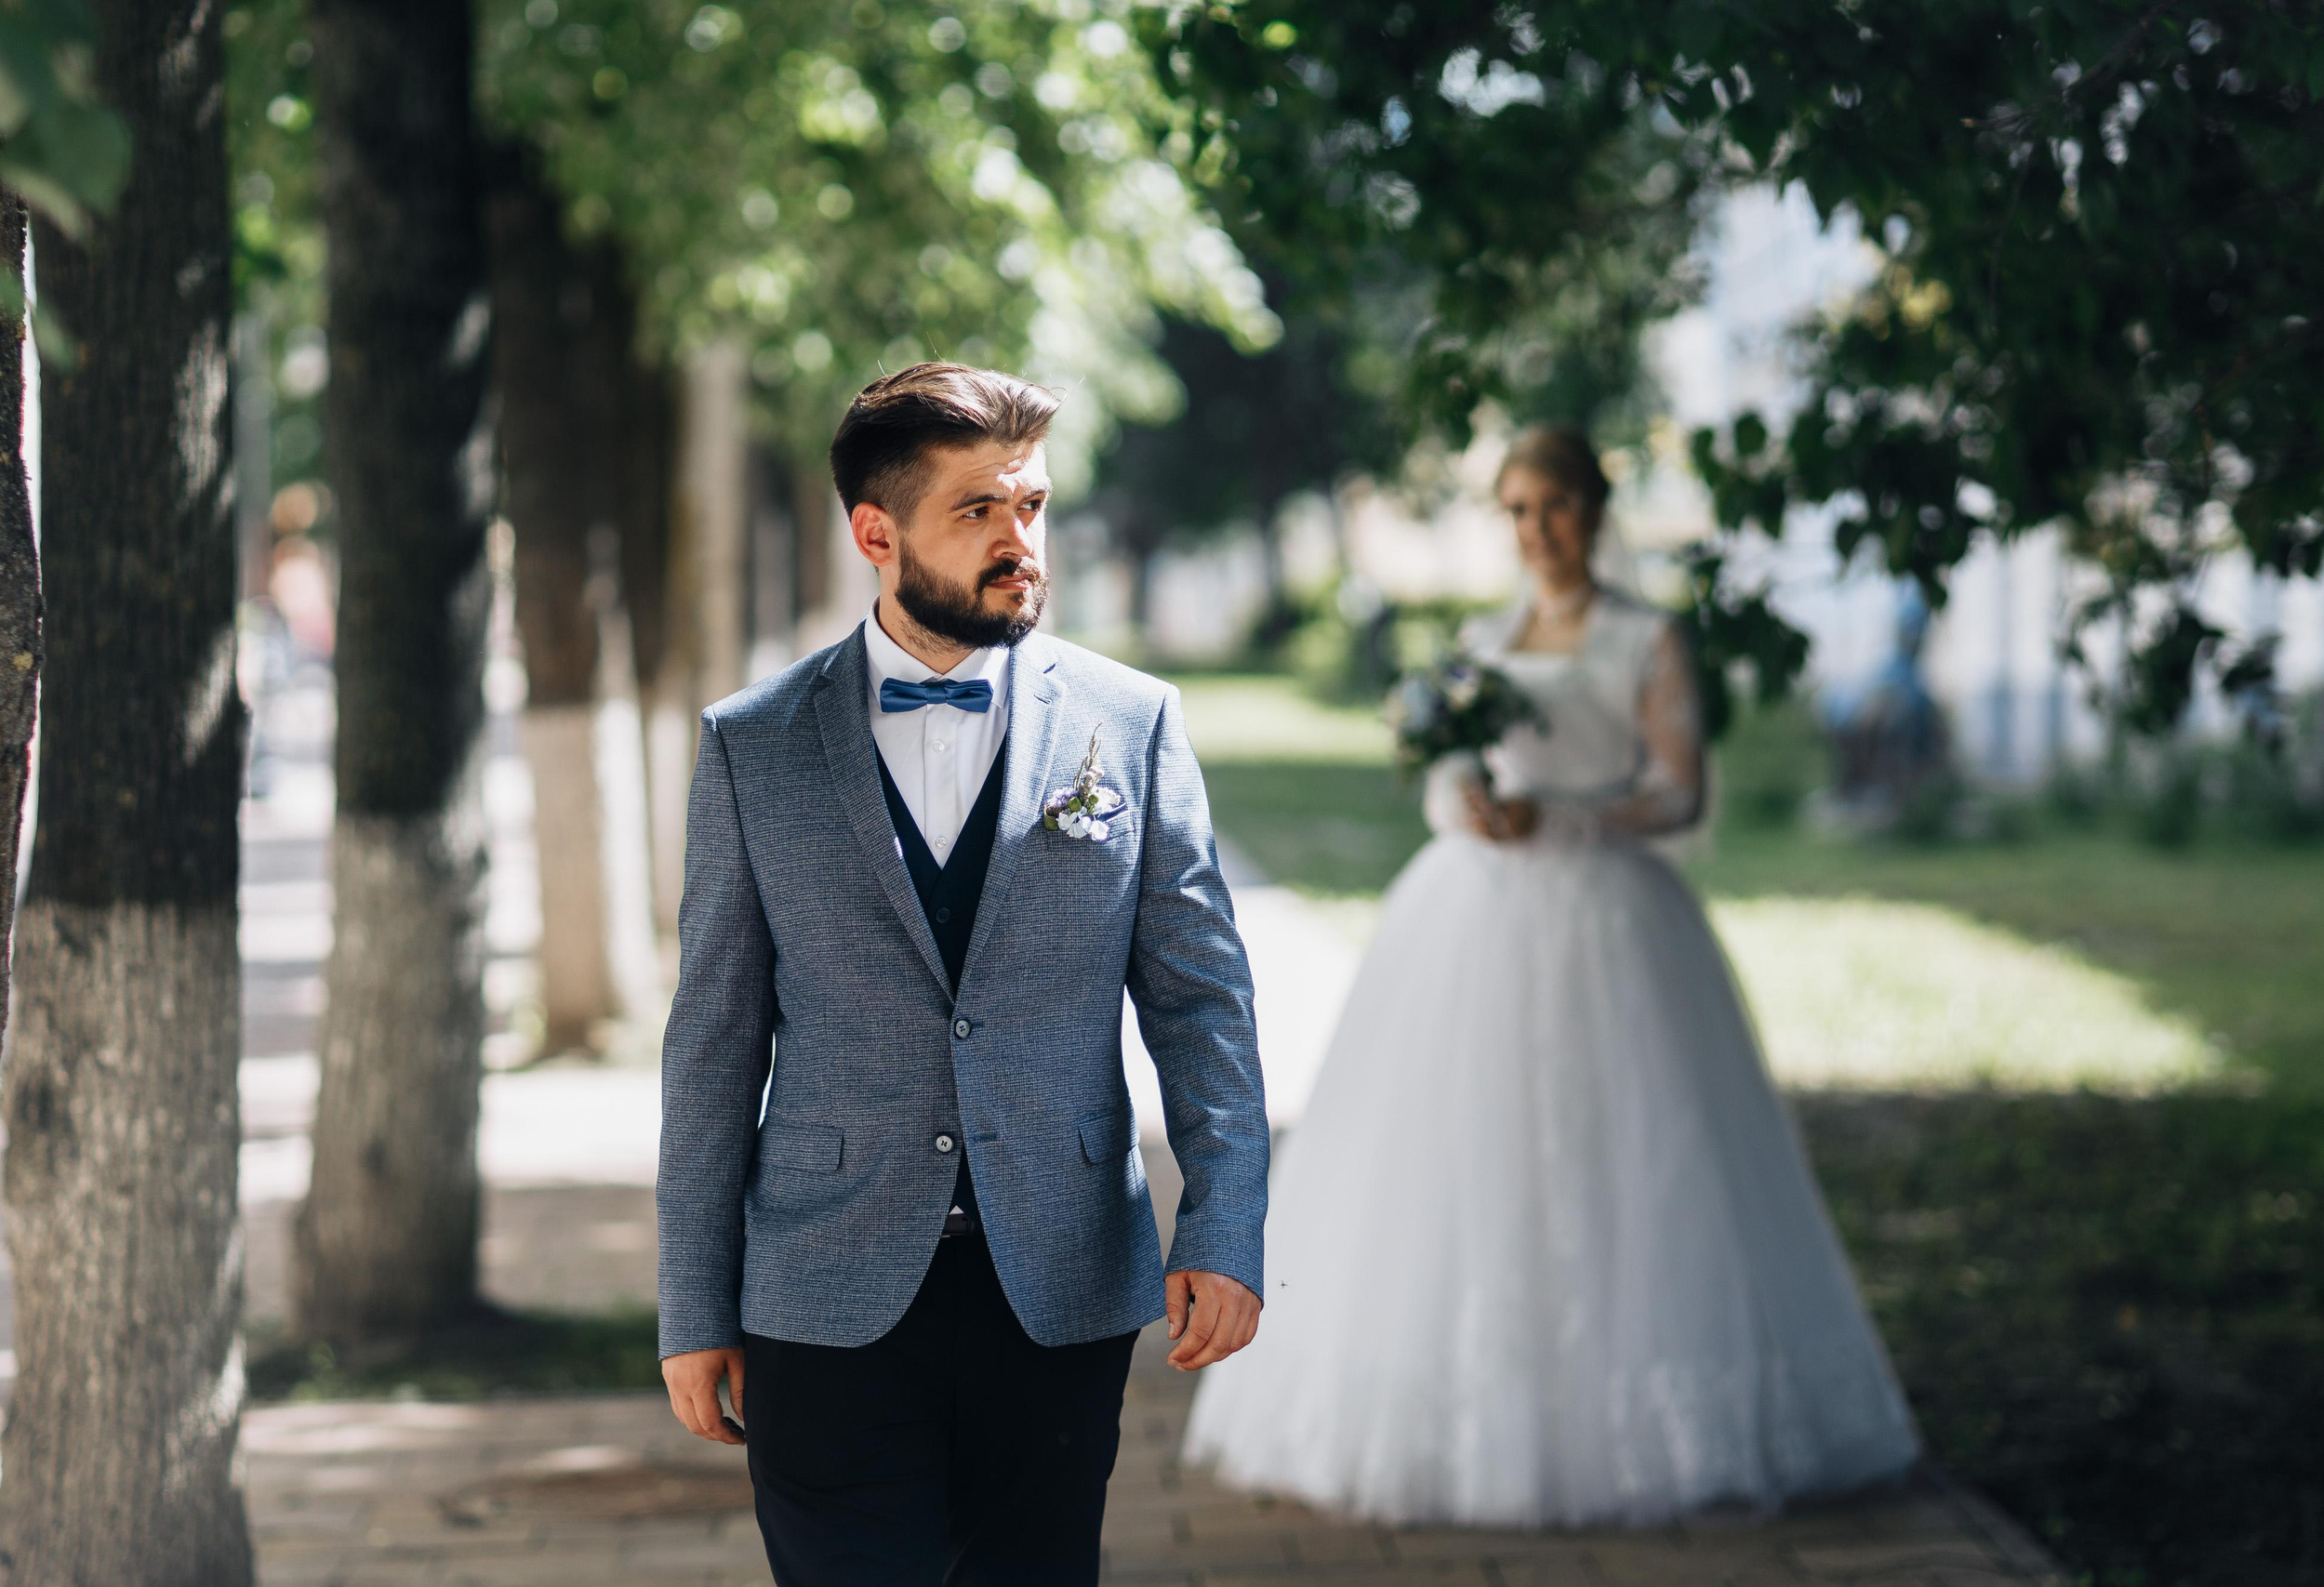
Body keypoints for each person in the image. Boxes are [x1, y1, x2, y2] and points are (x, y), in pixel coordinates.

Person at [1179, 428, 1919, 1527]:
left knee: (1632, 1154)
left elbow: (1678, 792)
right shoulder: (1484, 635)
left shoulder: (1643, 636)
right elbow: (1445, 773)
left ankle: (1634, 1419)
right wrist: (1462, 807)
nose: (1539, 530)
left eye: (1557, 505)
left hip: (1610, 915)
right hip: (1468, 917)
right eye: (1519, 511)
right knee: (1461, 1155)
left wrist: (1564, 819)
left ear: (1596, 510)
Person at [655, 363, 1270, 1583]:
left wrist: (1225, 1218)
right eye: (978, 510)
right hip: (823, 1290)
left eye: (1030, 505)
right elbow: (715, 1041)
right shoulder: (752, 746)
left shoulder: (1132, 723)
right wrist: (694, 1301)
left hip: (1058, 1278)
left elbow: (1202, 1002)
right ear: (876, 533)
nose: (1018, 541)